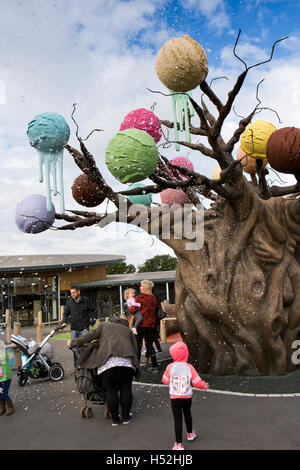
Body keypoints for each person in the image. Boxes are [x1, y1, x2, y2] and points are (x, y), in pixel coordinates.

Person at [67, 316, 141, 427]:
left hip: (107, 363)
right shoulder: (127, 330)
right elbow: (135, 348)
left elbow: (89, 336)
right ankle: (126, 417)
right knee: (126, 388)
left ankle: (115, 419)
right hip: (126, 362)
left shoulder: (104, 326)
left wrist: (73, 343)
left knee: (111, 390)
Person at [162, 341, 209, 450]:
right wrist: (204, 386)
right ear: (186, 354)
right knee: (187, 414)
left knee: (177, 419)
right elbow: (196, 382)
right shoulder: (189, 367)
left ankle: (179, 444)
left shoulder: (170, 367)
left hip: (175, 397)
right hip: (187, 397)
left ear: (173, 354)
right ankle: (190, 433)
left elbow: (165, 380)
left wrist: (171, 381)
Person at [62, 287, 96, 373]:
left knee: (86, 348)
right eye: (71, 293)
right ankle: (76, 367)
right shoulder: (69, 303)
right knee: (74, 349)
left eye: (74, 293)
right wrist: (64, 322)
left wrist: (92, 321)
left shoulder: (86, 300)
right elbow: (65, 314)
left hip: (84, 328)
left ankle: (87, 366)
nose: (72, 295)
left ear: (78, 292)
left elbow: (94, 311)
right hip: (74, 329)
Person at [129, 280, 158, 371]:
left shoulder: (139, 298)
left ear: (145, 288)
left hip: (141, 325)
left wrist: (130, 306)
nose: (140, 288)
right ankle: (154, 366)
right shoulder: (154, 298)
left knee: (138, 346)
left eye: (141, 286)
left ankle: (136, 367)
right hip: (151, 325)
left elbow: (132, 311)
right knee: (149, 345)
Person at [0, 340, 14, 416]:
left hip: (6, 377)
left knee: (4, 393)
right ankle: (2, 408)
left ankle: (10, 407)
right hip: (0, 378)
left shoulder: (3, 354)